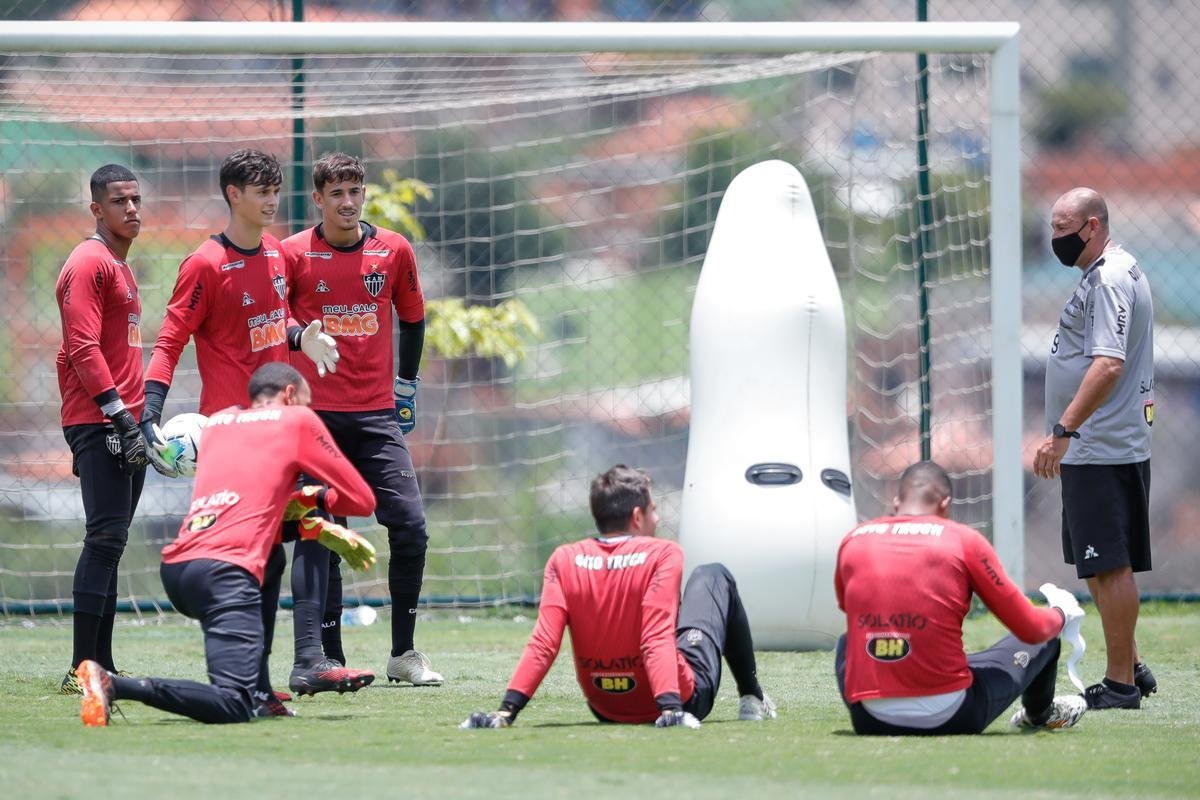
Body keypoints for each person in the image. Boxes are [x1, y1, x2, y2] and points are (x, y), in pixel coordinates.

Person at [139, 149, 357, 704]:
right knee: (270, 550)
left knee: (313, 519)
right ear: (234, 194)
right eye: (261, 191)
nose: (271, 200)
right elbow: (169, 342)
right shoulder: (204, 264)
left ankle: (306, 661)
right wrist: (149, 410)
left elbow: (273, 316)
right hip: (230, 434)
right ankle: (265, 679)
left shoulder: (276, 255)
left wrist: (300, 333)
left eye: (276, 189)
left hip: (278, 425)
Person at [75, 362, 377, 726]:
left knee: (273, 559)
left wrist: (302, 522)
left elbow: (250, 511)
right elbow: (361, 501)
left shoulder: (216, 424)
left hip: (179, 570)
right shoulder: (298, 421)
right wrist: (316, 497)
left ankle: (263, 693)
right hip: (226, 575)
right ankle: (114, 685)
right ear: (291, 395)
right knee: (234, 703)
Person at [281, 152, 440, 689]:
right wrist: (301, 333)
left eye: (356, 191)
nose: (348, 203)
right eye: (337, 194)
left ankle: (404, 654)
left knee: (411, 526)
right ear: (318, 200)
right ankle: (328, 655)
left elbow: (415, 320)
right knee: (323, 534)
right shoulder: (293, 254)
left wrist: (407, 386)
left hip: (375, 416)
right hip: (314, 420)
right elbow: (269, 314)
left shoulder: (393, 250)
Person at [461, 465, 775, 729]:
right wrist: (670, 709)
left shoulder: (563, 557)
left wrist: (506, 710)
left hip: (606, 705)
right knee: (712, 575)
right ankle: (752, 697)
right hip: (677, 700)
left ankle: (740, 697)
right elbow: (654, 635)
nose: (657, 519)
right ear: (637, 516)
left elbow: (544, 641)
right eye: (653, 510)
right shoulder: (663, 552)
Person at [834, 461, 1088, 735]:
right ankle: (1040, 715)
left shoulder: (854, 539)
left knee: (848, 641)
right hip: (951, 715)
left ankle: (880, 699)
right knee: (1047, 639)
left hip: (869, 719)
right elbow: (1032, 628)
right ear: (945, 504)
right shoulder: (963, 540)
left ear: (897, 502)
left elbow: (852, 610)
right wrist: (1061, 612)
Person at [1034, 187, 1157, 710]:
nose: (1056, 238)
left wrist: (1063, 430)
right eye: (1052, 228)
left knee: (1108, 565)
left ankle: (1121, 685)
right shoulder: (1115, 268)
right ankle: (1130, 666)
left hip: (1099, 443)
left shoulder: (1108, 277)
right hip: (1103, 443)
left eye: (1064, 228)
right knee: (1100, 565)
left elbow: (1108, 364)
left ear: (1092, 225)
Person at [55, 165, 150, 694]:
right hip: (100, 419)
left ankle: (101, 664)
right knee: (104, 537)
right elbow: (82, 347)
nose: (131, 209)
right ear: (97, 209)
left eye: (136, 199)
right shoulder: (89, 260)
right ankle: (81, 668)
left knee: (112, 541)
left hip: (124, 419)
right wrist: (118, 414)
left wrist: (140, 418)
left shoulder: (118, 263)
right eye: (119, 201)